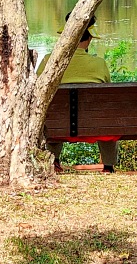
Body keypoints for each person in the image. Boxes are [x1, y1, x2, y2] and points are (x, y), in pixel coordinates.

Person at [37, 17, 116, 173]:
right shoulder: (99, 64)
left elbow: (38, 89)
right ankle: (108, 166)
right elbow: (107, 93)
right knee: (108, 119)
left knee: (53, 114)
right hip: (96, 124)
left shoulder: (49, 61)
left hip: (58, 124)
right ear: (88, 41)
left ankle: (54, 162)